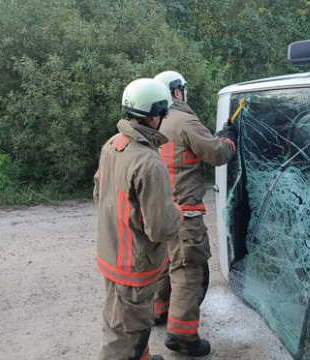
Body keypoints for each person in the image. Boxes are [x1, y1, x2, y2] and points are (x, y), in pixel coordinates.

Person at [93, 78, 182, 360]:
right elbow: (161, 227)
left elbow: (99, 194)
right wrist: (178, 212)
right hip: (134, 266)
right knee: (123, 337)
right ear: (154, 117)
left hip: (113, 254)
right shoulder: (148, 162)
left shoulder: (113, 144)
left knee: (129, 322)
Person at [152, 70, 238, 356]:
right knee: (189, 270)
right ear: (177, 92)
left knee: (166, 262)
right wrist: (229, 139)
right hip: (185, 214)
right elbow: (215, 154)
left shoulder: (154, 123)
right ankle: (182, 335)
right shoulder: (184, 120)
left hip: (160, 211)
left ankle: (159, 311)